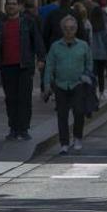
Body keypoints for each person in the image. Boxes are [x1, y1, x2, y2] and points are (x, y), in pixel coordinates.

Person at [0, 0, 45, 141]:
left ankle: (24, 128)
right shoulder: (0, 24)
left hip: (24, 66)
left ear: (19, 6)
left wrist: (41, 58)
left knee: (24, 99)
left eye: (14, 4)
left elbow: (37, 40)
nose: (11, 6)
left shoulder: (28, 22)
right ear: (5, 6)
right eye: (8, 4)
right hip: (7, 66)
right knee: (11, 99)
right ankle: (13, 128)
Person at [43, 16, 93, 154]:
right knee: (62, 115)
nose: (69, 31)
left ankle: (77, 137)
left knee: (78, 112)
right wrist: (47, 84)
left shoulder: (83, 45)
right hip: (60, 85)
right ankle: (64, 143)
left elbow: (89, 64)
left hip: (78, 83)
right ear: (62, 30)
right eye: (66, 28)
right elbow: (49, 66)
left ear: (76, 29)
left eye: (71, 28)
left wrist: (86, 76)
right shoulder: (55, 46)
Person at [88, 7, 107, 98]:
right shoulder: (104, 25)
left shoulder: (90, 24)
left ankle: (93, 91)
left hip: (92, 53)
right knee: (101, 74)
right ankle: (102, 92)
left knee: (93, 74)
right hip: (102, 54)